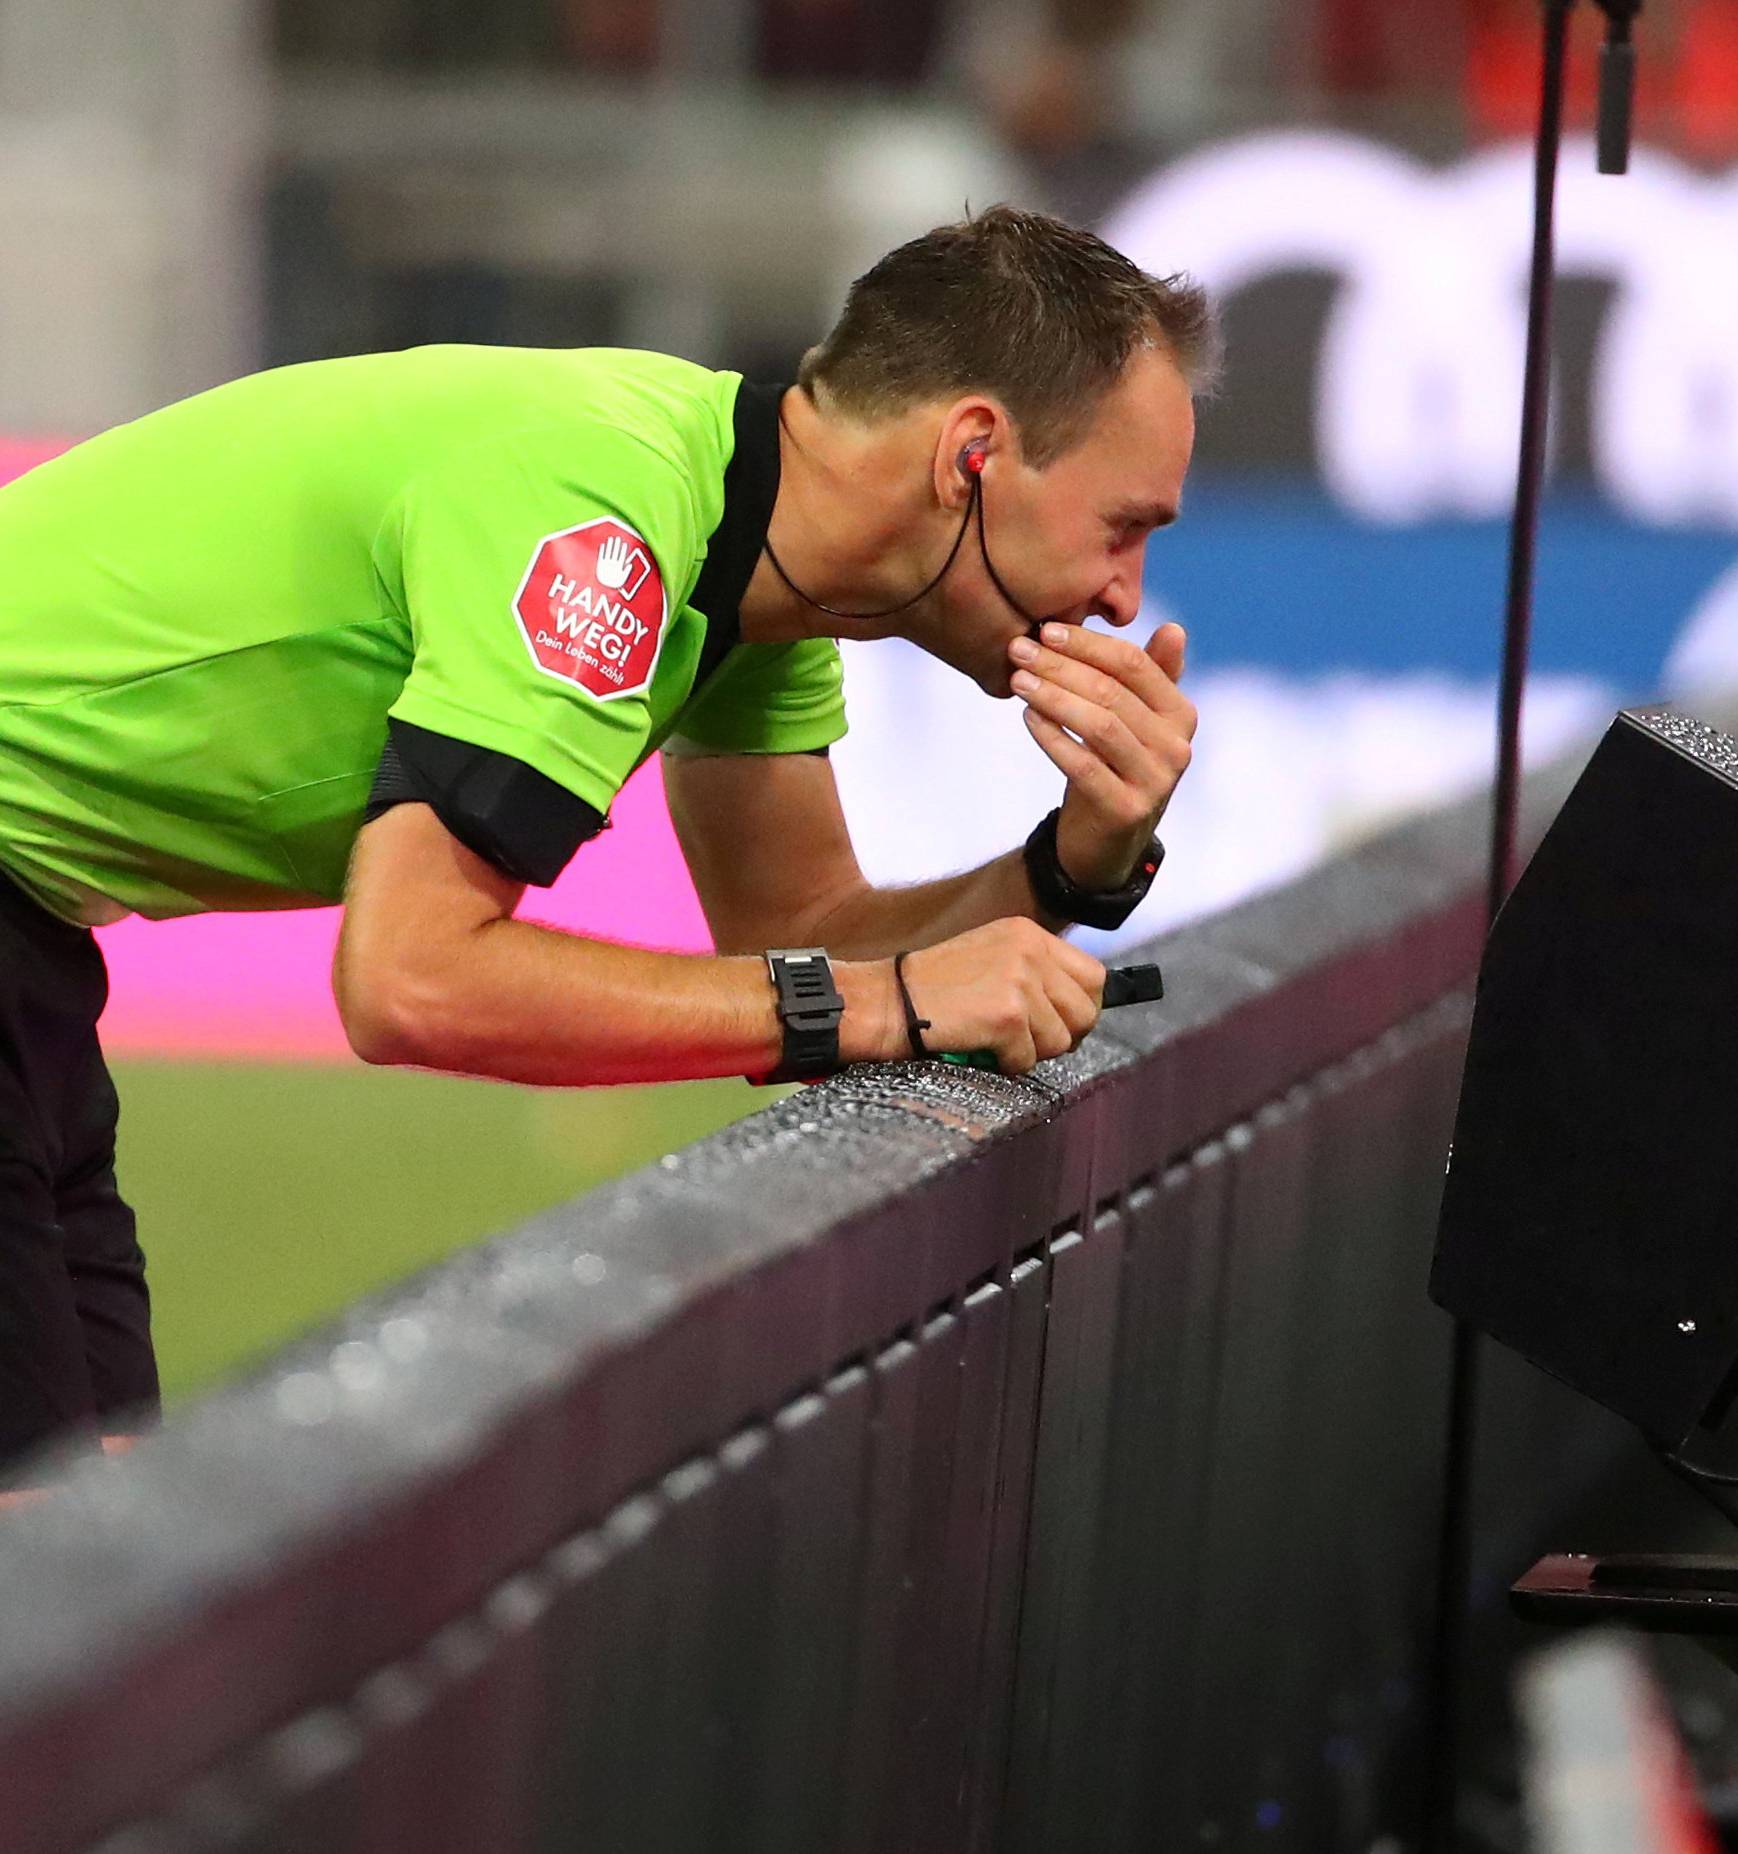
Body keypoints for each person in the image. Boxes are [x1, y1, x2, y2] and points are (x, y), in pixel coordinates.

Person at [0, 204, 1212, 1485]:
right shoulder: (608, 516)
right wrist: (884, 999)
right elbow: (412, 980)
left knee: (90, 1524)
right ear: (972, 452)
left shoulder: (765, 570)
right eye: (1122, 525)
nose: (1126, 595)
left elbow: (803, 949)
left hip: (31, 946)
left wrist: (1071, 865)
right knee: (55, 1559)